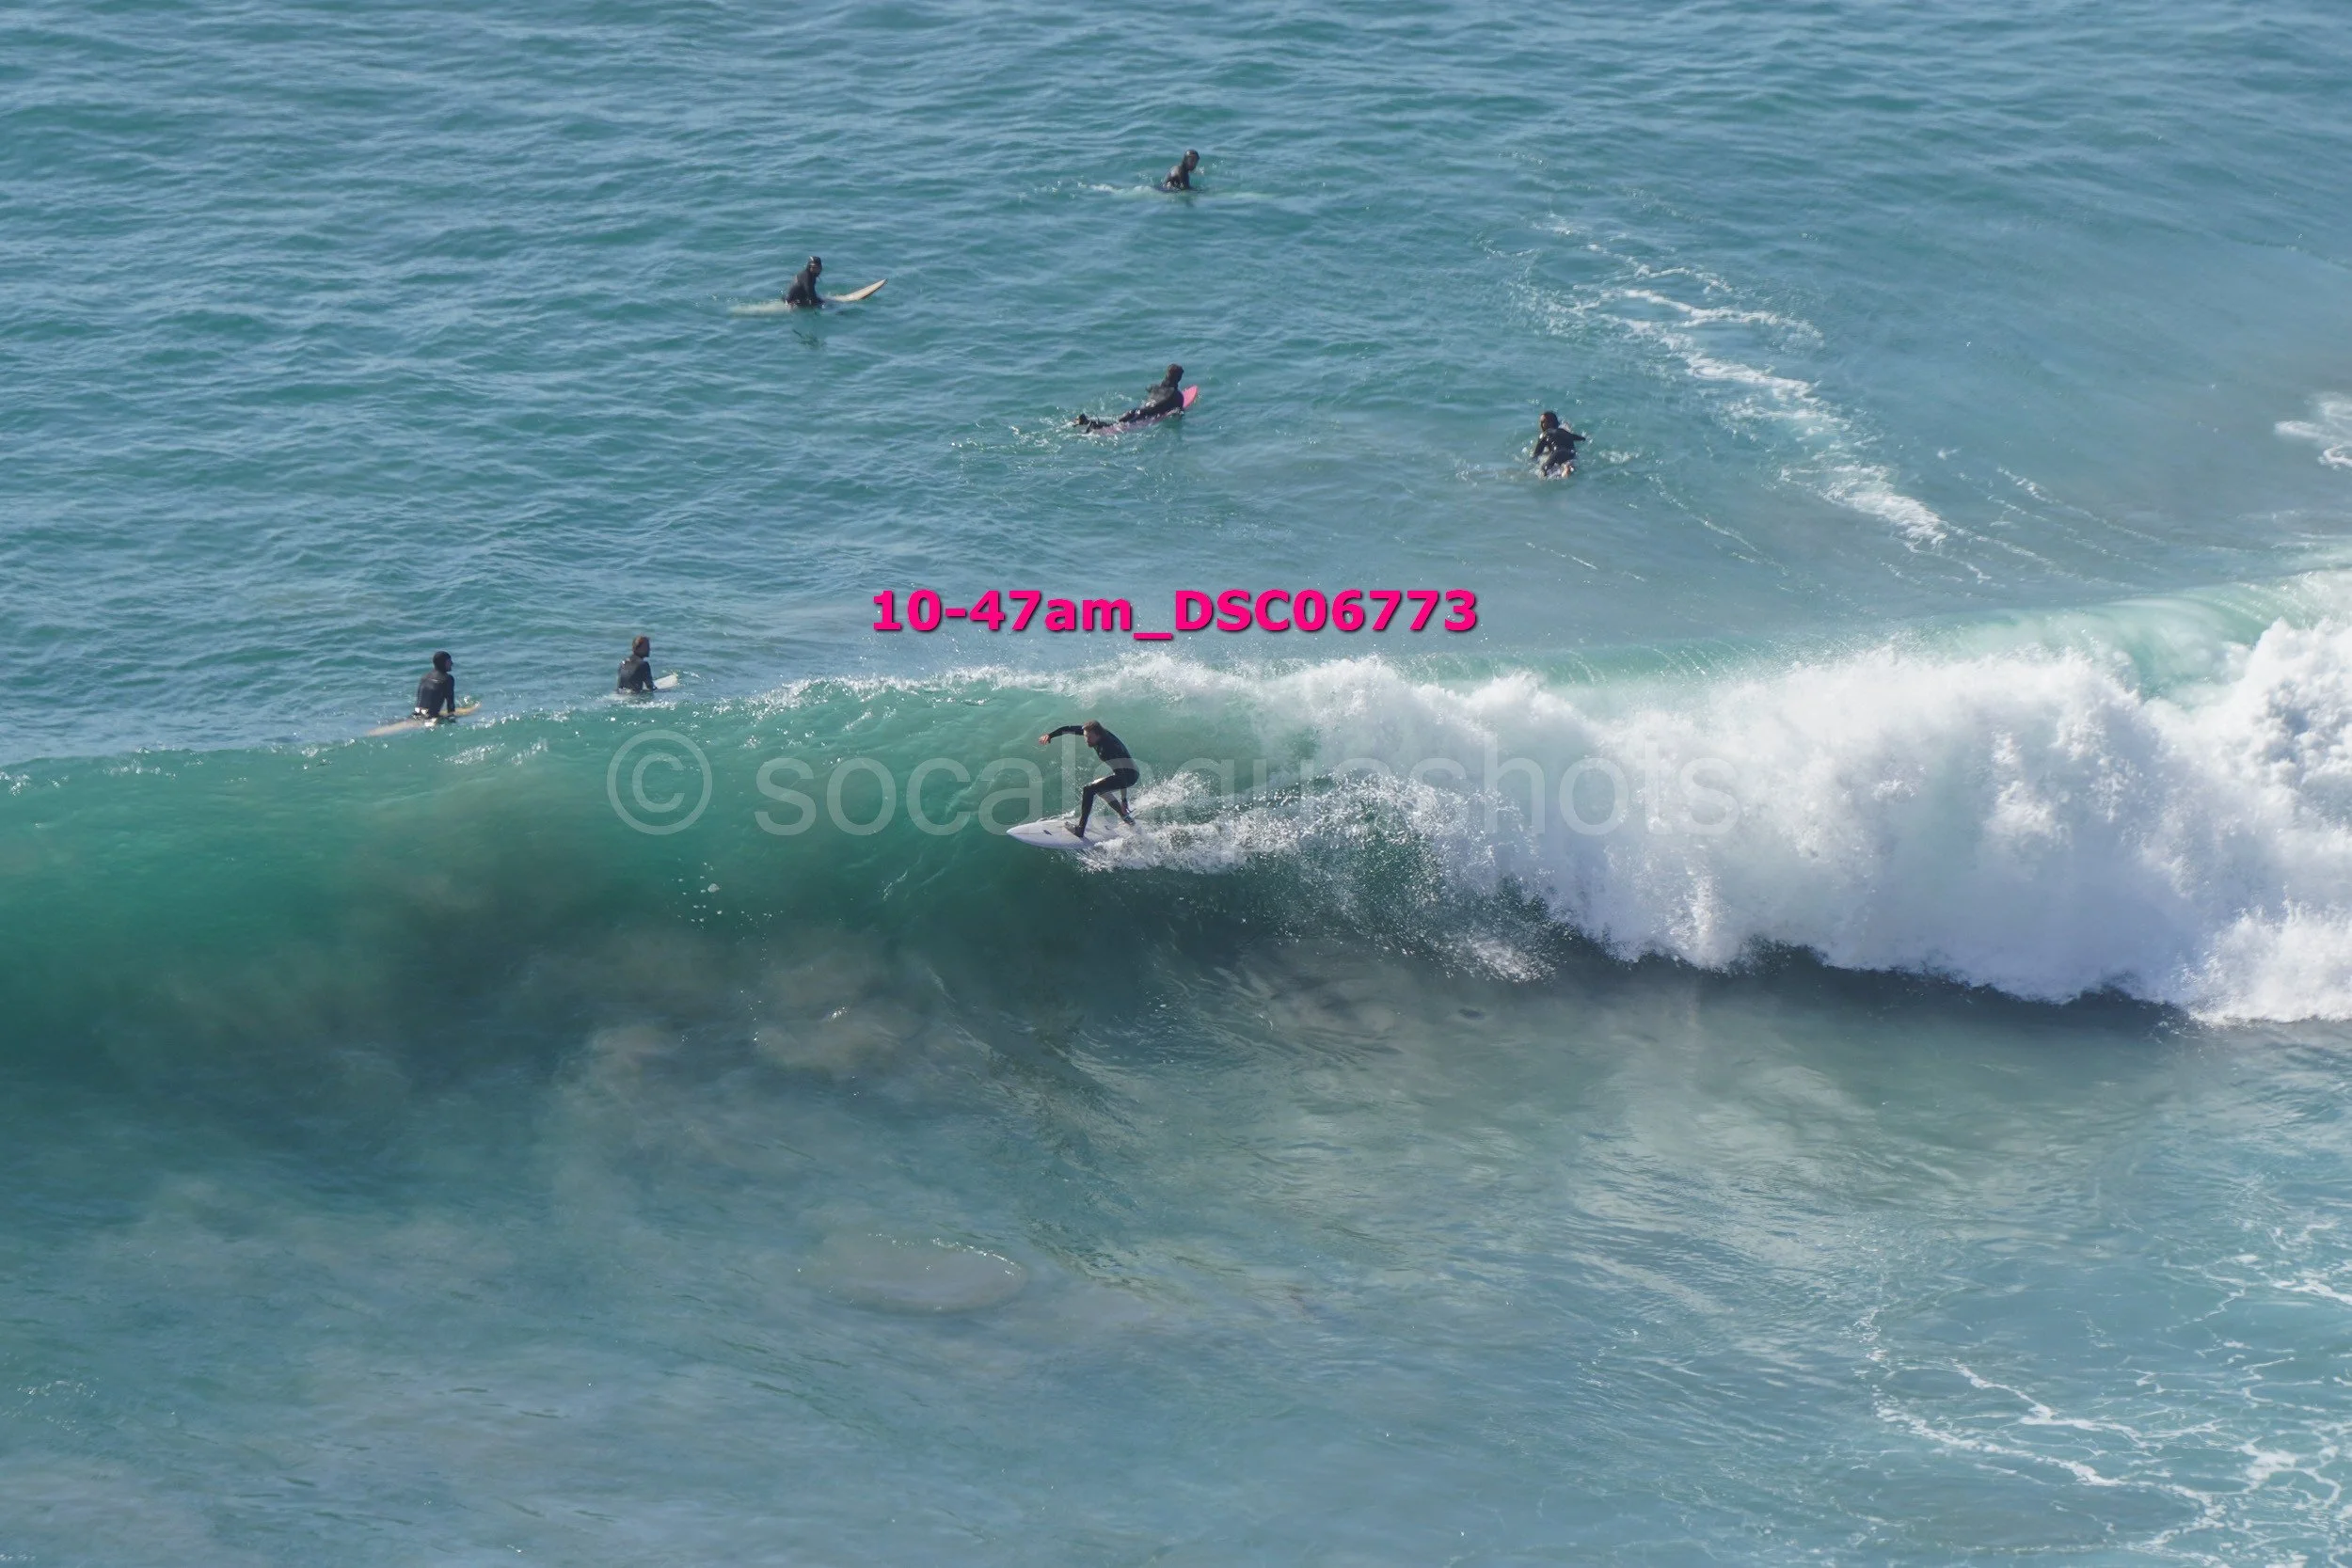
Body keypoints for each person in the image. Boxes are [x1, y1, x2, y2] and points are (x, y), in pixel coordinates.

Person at [1038, 720, 1139, 837]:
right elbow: (1069, 728)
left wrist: (1124, 800)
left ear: (1098, 735)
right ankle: (1125, 817)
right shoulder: (1096, 733)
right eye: (1085, 736)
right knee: (1098, 787)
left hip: (1128, 776)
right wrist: (1050, 735)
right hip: (1129, 770)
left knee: (1089, 789)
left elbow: (1121, 777)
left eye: (1089, 737)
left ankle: (1080, 830)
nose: (1086, 740)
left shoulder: (1107, 749)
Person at [1074, 364, 1186, 431]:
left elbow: (1148, 388)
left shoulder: (1154, 387)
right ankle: (1092, 425)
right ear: (1178, 379)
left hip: (1136, 411)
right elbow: (1178, 412)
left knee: (1116, 422)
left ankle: (1086, 420)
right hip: (1145, 417)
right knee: (1117, 427)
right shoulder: (1176, 395)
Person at [1534, 410, 1585, 476]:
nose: (1540, 425)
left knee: (1545, 469)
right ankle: (1567, 468)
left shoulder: (1544, 434)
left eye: (1543, 422)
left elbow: (1537, 454)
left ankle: (1564, 470)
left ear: (1550, 423)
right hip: (1570, 453)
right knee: (1567, 464)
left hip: (1558, 453)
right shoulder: (1564, 431)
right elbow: (1581, 439)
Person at [413, 650, 458, 720]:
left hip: (416, 714)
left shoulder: (425, 677)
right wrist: (452, 718)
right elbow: (450, 703)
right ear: (443, 663)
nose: (452, 663)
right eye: (449, 661)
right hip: (431, 717)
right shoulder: (447, 679)